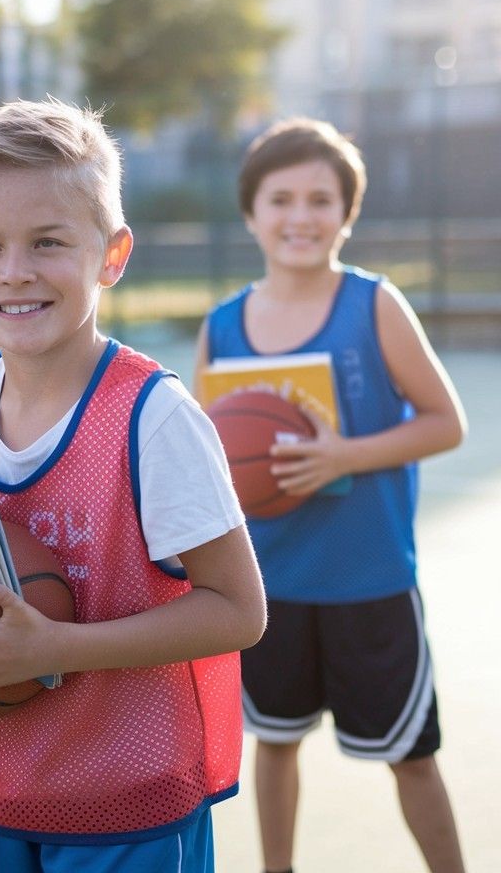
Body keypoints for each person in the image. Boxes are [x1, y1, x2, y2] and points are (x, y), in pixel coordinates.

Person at [0, 99, 267, 873]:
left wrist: (59, 647)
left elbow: (239, 611)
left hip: (130, 799)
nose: (15, 271)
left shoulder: (152, 418)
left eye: (49, 242)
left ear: (112, 254)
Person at [194, 117, 468, 873]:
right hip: (269, 587)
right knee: (274, 746)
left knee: (412, 758)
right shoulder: (222, 328)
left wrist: (343, 455)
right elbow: (208, 461)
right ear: (251, 213)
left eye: (321, 200)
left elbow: (447, 422)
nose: (301, 217)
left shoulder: (374, 305)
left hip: (370, 581)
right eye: (281, 199)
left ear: (347, 214)